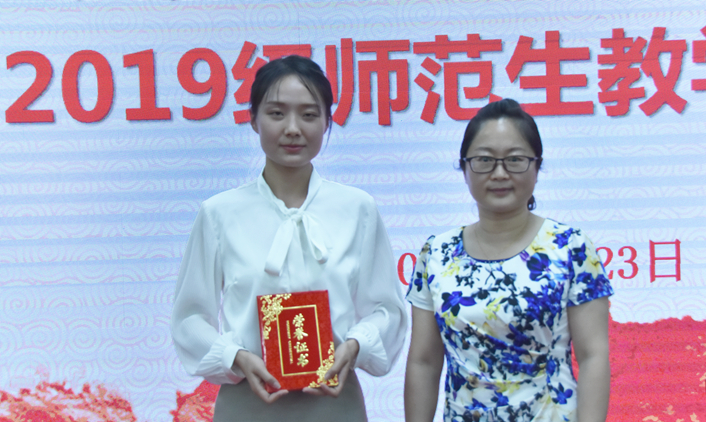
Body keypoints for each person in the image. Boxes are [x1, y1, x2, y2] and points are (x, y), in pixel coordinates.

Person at [171, 55, 407, 422]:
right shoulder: (219, 213)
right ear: (253, 119)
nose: (293, 129)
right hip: (247, 403)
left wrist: (354, 345)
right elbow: (189, 317)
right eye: (277, 114)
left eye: (309, 115)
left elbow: (387, 309)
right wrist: (236, 357)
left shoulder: (357, 208)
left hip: (334, 402)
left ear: (328, 121)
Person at [404, 99, 613, 422]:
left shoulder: (570, 247)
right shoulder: (437, 253)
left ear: (537, 167)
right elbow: (424, 362)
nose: (499, 173)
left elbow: (593, 356)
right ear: (464, 168)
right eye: (484, 160)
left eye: (515, 159)